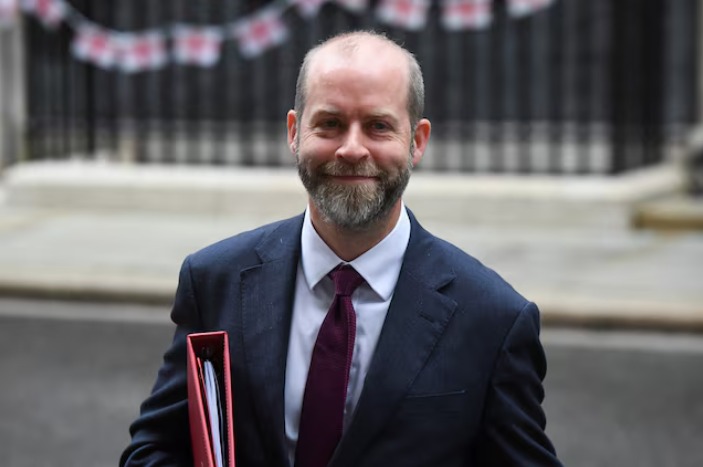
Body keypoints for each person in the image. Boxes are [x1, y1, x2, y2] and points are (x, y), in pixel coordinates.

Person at [120, 30, 562, 467]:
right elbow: (154, 450)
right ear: (294, 132)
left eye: (378, 126)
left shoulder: (493, 319)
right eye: (330, 124)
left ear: (417, 141)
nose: (352, 149)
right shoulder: (214, 280)